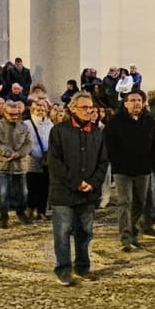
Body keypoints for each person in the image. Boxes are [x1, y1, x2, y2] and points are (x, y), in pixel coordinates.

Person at [46, 93, 108, 285]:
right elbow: (54, 162)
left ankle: (82, 267)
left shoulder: (97, 132)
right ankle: (63, 269)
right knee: (63, 232)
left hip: (88, 193)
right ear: (73, 109)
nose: (89, 111)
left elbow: (103, 161)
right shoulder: (59, 131)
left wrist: (93, 183)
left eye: (91, 107)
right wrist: (76, 182)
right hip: (64, 192)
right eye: (84, 107)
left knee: (85, 232)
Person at [105, 90, 155, 251]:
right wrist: (115, 161)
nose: (136, 103)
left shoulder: (149, 121)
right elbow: (109, 143)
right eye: (132, 100)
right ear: (125, 103)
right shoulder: (116, 121)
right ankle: (125, 238)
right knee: (125, 202)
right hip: (122, 170)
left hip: (143, 169)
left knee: (140, 202)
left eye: (139, 100)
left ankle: (132, 231)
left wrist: (153, 162)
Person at [0, 100, 34, 228]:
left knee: (23, 193)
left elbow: (29, 143)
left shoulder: (23, 126)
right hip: (3, 165)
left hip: (20, 165)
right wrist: (7, 152)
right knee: (4, 193)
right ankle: (3, 217)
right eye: (11, 114)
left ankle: (21, 213)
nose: (14, 117)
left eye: (16, 114)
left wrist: (19, 153)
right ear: (5, 113)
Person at [25, 99, 54, 220]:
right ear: (33, 110)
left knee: (44, 186)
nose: (41, 111)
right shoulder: (26, 124)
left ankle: (41, 211)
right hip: (32, 159)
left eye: (43, 109)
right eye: (38, 109)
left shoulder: (50, 124)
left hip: (46, 159)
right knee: (33, 186)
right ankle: (30, 208)